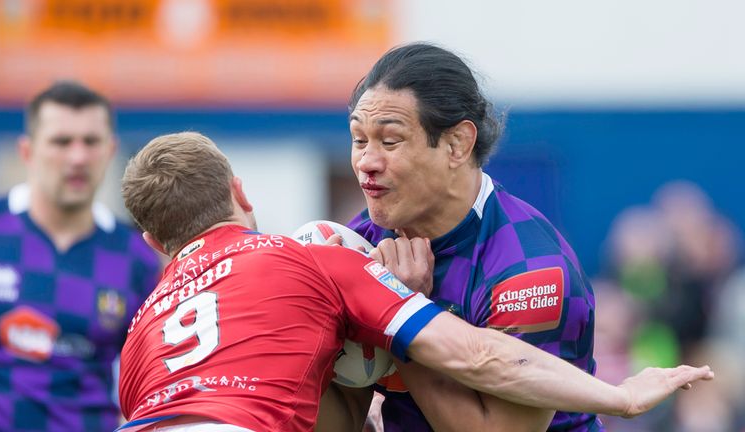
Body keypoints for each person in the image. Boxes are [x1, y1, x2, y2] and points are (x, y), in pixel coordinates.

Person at [116, 131, 712, 432]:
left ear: (152, 245)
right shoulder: (312, 259)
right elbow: (482, 357)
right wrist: (622, 396)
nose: (367, 161)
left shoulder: (139, 334)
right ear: (240, 193)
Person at [342, 42, 607, 431]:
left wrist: (402, 311)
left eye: (390, 141)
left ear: (457, 144)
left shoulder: (530, 273)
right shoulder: (360, 239)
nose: (366, 162)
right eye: (359, 140)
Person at [0, 81, 161, 431]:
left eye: (91, 142)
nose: (77, 157)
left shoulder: (137, 257)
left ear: (111, 150)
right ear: (27, 151)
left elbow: (149, 386)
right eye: (62, 142)